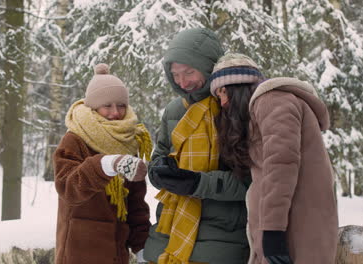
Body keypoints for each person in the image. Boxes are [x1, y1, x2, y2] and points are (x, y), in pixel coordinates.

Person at [209, 53, 338, 264]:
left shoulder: (272, 100)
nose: (222, 102)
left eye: (223, 92)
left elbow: (281, 166)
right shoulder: (265, 108)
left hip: (295, 228)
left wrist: (273, 232)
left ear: (238, 87)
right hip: (293, 225)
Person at [143, 28, 251, 264]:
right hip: (168, 234)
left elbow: (250, 181)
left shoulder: (233, 105)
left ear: (209, 67)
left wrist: (197, 183)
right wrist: (159, 170)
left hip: (221, 238)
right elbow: (158, 155)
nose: (183, 82)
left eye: (189, 72)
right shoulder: (174, 110)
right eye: (176, 75)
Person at [53, 63, 152, 264]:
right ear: (94, 107)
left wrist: (142, 248)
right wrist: (106, 165)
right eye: (107, 105)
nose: (115, 112)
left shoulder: (129, 142)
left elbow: (135, 204)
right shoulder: (74, 140)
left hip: (117, 252)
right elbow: (68, 188)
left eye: (121, 105)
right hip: (79, 251)